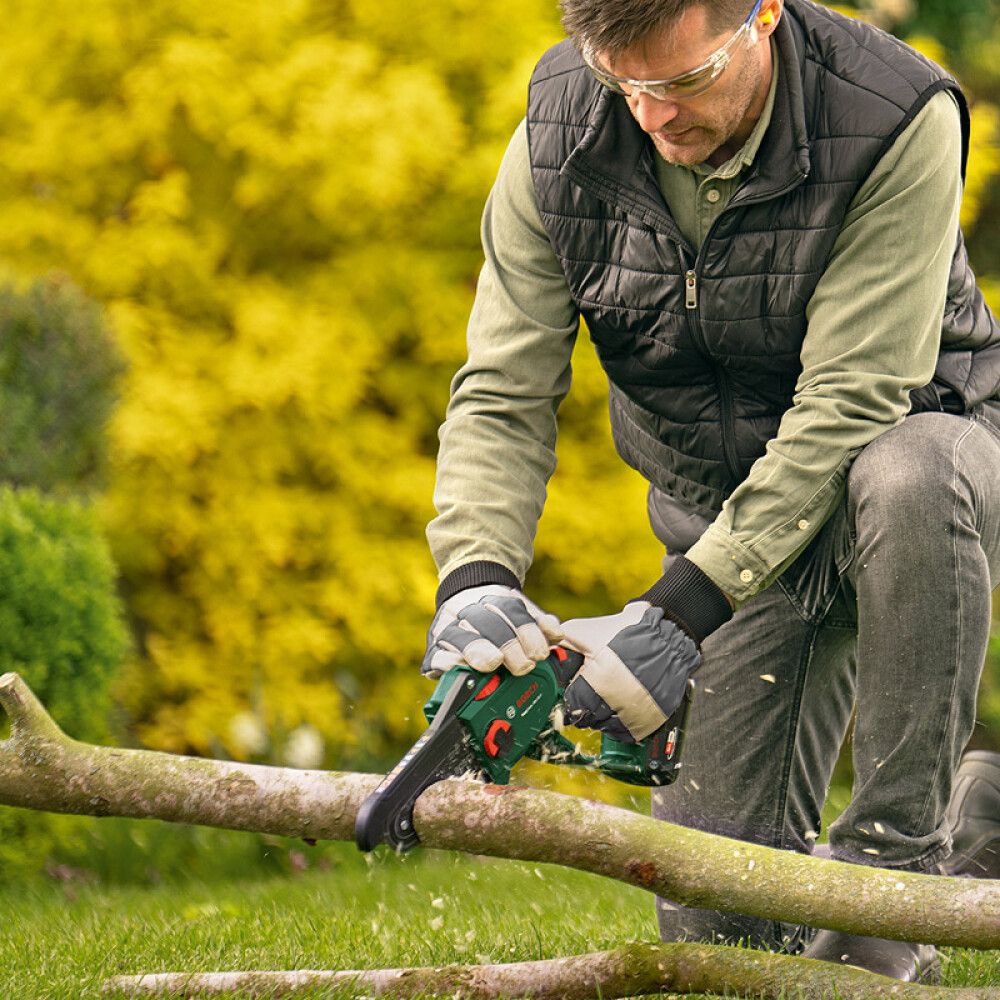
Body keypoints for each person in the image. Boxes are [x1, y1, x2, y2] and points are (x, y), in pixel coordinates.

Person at [422, 0, 1000, 983]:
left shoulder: (896, 116)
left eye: (683, 81)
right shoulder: (558, 134)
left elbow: (853, 398)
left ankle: (897, 874)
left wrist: (679, 610)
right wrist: (475, 575)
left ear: (762, 14)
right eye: (624, 82)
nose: (651, 115)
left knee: (911, 469)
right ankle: (981, 827)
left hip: (915, 478)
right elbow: (502, 388)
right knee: (719, 929)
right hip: (725, 528)